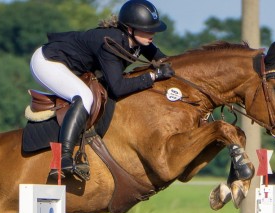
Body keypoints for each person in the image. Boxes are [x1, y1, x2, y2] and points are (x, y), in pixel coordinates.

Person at [30, 0, 174, 179]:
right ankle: (63, 159)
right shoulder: (110, 43)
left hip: (69, 66)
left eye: (152, 28)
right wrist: (152, 76)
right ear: (129, 29)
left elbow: (167, 61)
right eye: (146, 28)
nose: (152, 32)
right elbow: (118, 88)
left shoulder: (140, 41)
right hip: (48, 62)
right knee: (84, 96)